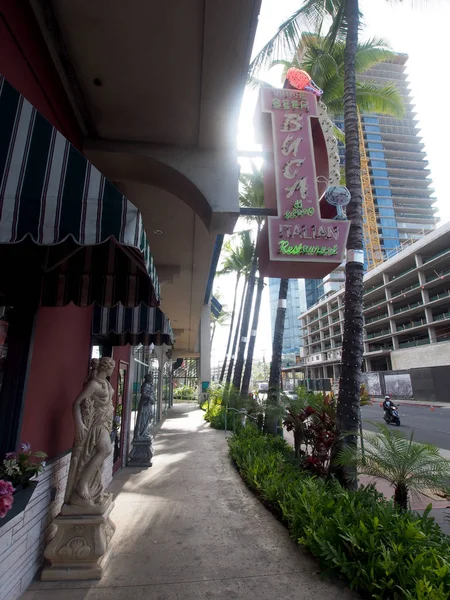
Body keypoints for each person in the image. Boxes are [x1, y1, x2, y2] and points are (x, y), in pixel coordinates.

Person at [64, 357, 115, 506]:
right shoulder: (93, 384)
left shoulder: (105, 383)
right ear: (106, 368)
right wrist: (79, 423)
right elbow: (77, 403)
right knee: (105, 450)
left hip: (105, 422)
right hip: (96, 424)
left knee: (98, 454)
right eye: (111, 367)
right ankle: (82, 484)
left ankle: (95, 489)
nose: (113, 370)